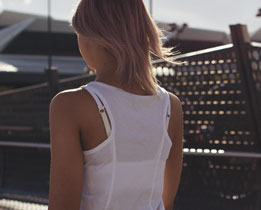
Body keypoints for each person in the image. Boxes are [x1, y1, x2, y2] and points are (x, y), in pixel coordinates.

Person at [48, 0, 183, 209]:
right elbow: (166, 201)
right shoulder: (171, 107)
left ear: (91, 38)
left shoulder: (69, 106)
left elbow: (63, 205)